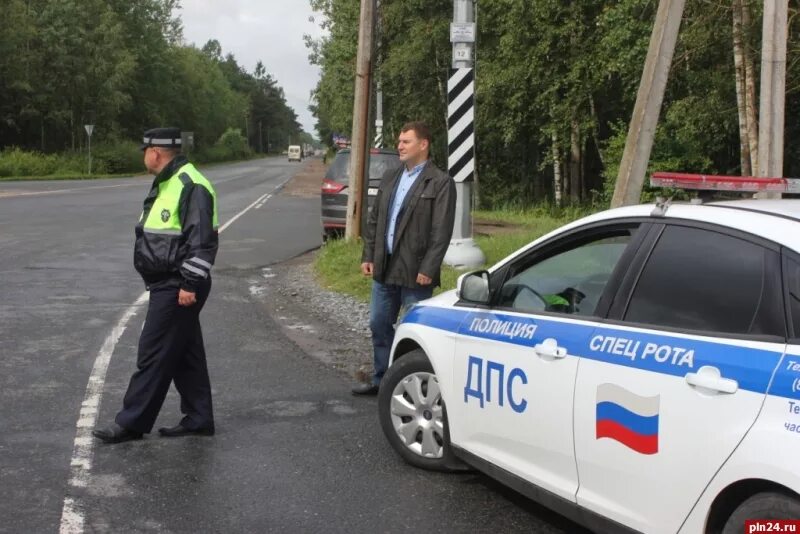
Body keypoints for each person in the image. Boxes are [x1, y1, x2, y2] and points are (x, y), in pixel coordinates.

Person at [93, 127, 219, 443]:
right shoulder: (168, 182)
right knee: (185, 352)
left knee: (154, 352)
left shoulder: (191, 185)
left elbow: (202, 241)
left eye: (145, 150)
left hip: (178, 284)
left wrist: (189, 283)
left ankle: (131, 423)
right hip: (170, 282)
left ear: (156, 152)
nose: (144, 155)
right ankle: (199, 417)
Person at [352, 121, 456, 396]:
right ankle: (382, 379)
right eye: (399, 141)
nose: (399, 146)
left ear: (423, 145)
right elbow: (374, 221)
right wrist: (368, 254)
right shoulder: (390, 177)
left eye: (406, 141)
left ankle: (413, 386)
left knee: (416, 334)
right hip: (384, 267)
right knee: (378, 323)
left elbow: (441, 231)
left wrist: (429, 268)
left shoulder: (441, 182)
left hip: (415, 273)